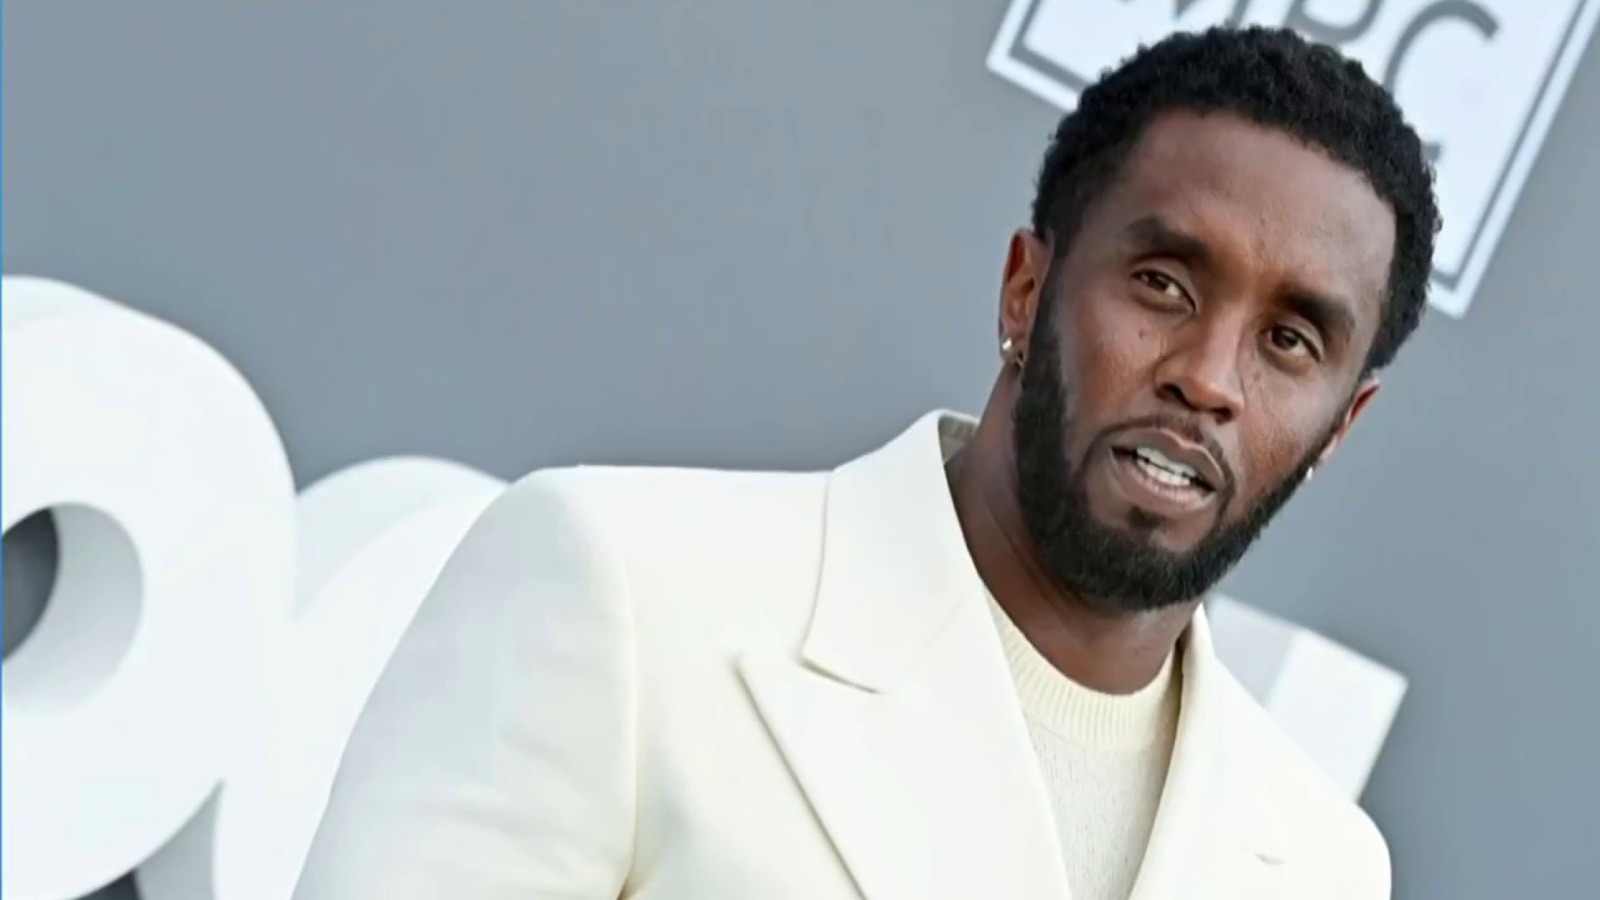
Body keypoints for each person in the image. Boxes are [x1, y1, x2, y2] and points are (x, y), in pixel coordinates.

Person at [294, 25, 1438, 900]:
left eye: (1289, 343)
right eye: (1163, 284)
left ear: (1339, 427)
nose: (1208, 377)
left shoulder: (1322, 863)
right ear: (1025, 290)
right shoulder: (624, 589)